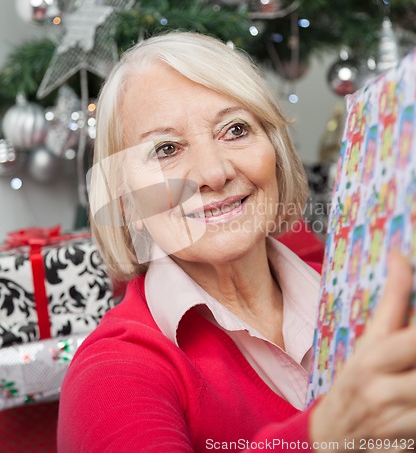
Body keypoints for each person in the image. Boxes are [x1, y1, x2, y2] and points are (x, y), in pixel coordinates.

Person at [57, 31, 416, 452]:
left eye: (235, 129)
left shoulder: (368, 296)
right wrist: (323, 437)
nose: (213, 172)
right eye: (167, 148)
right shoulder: (112, 373)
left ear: (276, 151)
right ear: (126, 203)